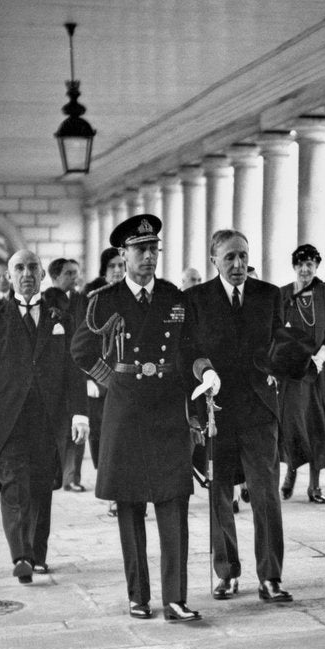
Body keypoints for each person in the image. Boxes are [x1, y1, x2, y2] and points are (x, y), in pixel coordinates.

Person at [72, 214, 216, 623]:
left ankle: (175, 599)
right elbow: (82, 350)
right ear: (123, 254)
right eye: (140, 250)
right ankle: (139, 595)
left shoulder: (174, 297)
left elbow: (190, 348)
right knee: (131, 504)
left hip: (169, 407)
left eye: (154, 250)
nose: (149, 257)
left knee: (175, 500)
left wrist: (205, 371)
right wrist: (112, 382)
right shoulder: (104, 299)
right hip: (126, 409)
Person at [185, 229, 293, 604]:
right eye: (229, 257)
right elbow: (191, 351)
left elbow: (281, 340)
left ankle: (270, 577)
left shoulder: (268, 295)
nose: (238, 264)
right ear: (214, 259)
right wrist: (204, 373)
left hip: (260, 410)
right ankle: (226, 572)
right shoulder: (196, 299)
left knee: (265, 495)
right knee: (219, 496)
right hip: (217, 411)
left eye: (243, 256)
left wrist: (280, 367)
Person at [0, 250, 88, 583]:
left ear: (42, 275)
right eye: (19, 268)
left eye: (32, 267)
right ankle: (21, 555)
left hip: (48, 418)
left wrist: (80, 414)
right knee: (13, 485)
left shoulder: (60, 317)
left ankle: (37, 553)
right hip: (9, 418)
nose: (26, 273)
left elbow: (73, 369)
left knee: (40, 487)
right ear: (9, 275)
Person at [278, 244, 325, 504]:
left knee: (318, 424)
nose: (305, 269)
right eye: (301, 264)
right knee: (294, 423)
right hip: (294, 372)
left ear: (316, 267)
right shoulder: (282, 295)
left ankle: (315, 485)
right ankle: (291, 470)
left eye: (310, 265)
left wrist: (320, 357)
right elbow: (277, 332)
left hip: (320, 370)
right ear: (294, 266)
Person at [84, 248, 128, 517]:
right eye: (112, 266)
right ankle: (112, 490)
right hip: (101, 379)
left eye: (121, 265)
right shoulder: (94, 298)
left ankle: (123, 494)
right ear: (103, 268)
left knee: (127, 438)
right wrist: (91, 378)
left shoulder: (135, 292)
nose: (117, 270)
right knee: (102, 437)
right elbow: (82, 344)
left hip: (129, 380)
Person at [43, 258, 89, 492]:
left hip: (78, 366)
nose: (74, 277)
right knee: (56, 424)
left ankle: (72, 477)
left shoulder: (83, 299)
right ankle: (55, 471)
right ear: (55, 276)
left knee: (79, 418)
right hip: (55, 371)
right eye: (69, 273)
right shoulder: (45, 302)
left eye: (76, 273)